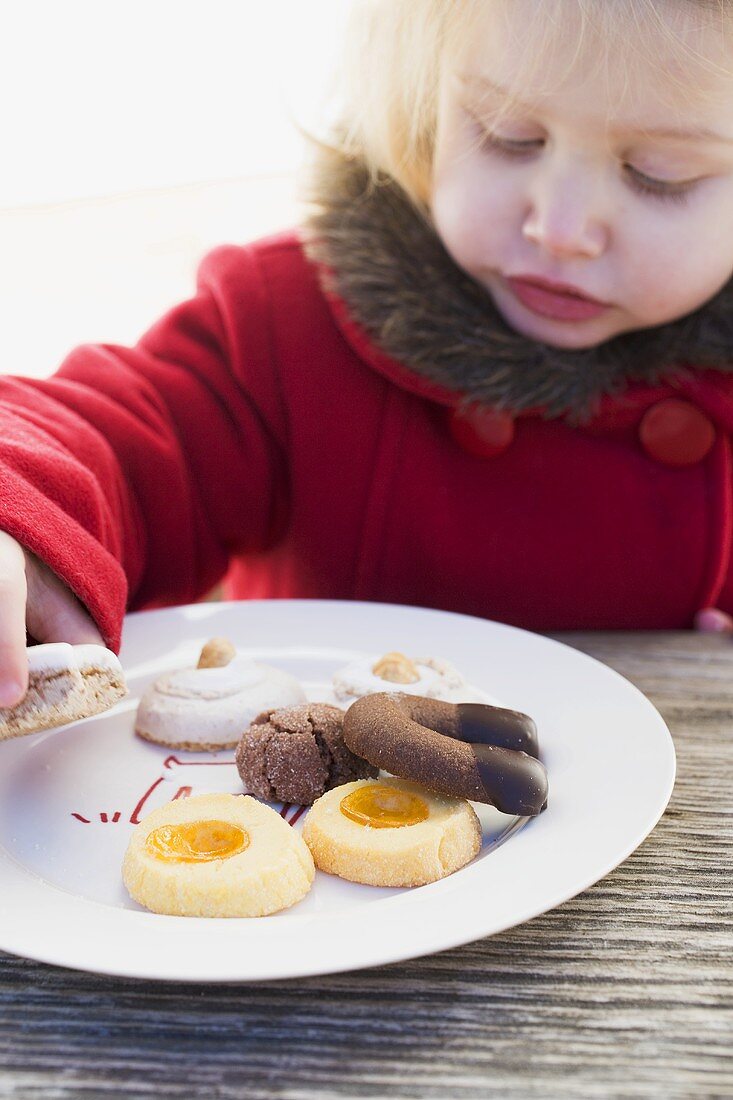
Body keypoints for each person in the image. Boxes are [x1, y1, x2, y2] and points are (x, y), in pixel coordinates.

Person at [2, 0, 733, 708]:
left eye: (658, 173)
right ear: (423, 101)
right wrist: (20, 516)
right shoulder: (288, 323)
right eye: (507, 135)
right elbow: (118, 436)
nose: (560, 227)